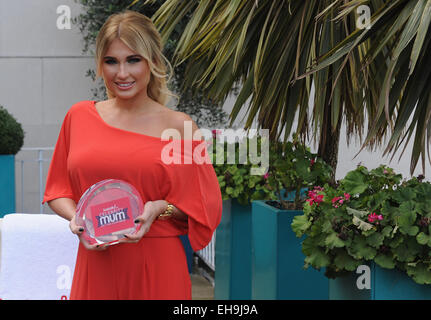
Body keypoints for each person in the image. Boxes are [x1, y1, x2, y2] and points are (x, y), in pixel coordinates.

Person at [42, 10, 222, 300]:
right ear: (100, 66)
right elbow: (57, 190)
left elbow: (203, 207)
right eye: (111, 61)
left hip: (158, 266)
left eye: (133, 60)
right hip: (96, 263)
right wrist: (78, 219)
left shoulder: (179, 126)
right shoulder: (78, 117)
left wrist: (158, 208)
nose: (122, 73)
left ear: (152, 62)